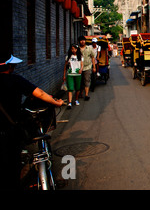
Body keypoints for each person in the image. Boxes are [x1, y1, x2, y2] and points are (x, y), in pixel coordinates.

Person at [0, 54, 63, 190]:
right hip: (9, 131)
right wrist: (56, 103)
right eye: (13, 65)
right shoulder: (14, 80)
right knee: (12, 165)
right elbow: (39, 93)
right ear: (9, 67)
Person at [63, 44, 83, 108]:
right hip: (70, 74)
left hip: (78, 74)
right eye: (72, 49)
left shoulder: (80, 56)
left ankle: (76, 100)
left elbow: (82, 65)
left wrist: (81, 69)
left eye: (75, 49)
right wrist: (64, 75)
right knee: (70, 88)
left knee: (77, 88)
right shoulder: (68, 57)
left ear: (77, 49)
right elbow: (65, 67)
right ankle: (70, 102)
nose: (73, 50)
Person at [78, 36, 96, 101]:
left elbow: (93, 57)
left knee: (87, 80)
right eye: (81, 40)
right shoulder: (77, 49)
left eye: (83, 40)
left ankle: (86, 95)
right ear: (79, 41)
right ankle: (80, 93)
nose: (82, 41)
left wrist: (94, 67)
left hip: (87, 67)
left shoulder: (89, 48)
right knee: (80, 81)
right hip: (79, 68)